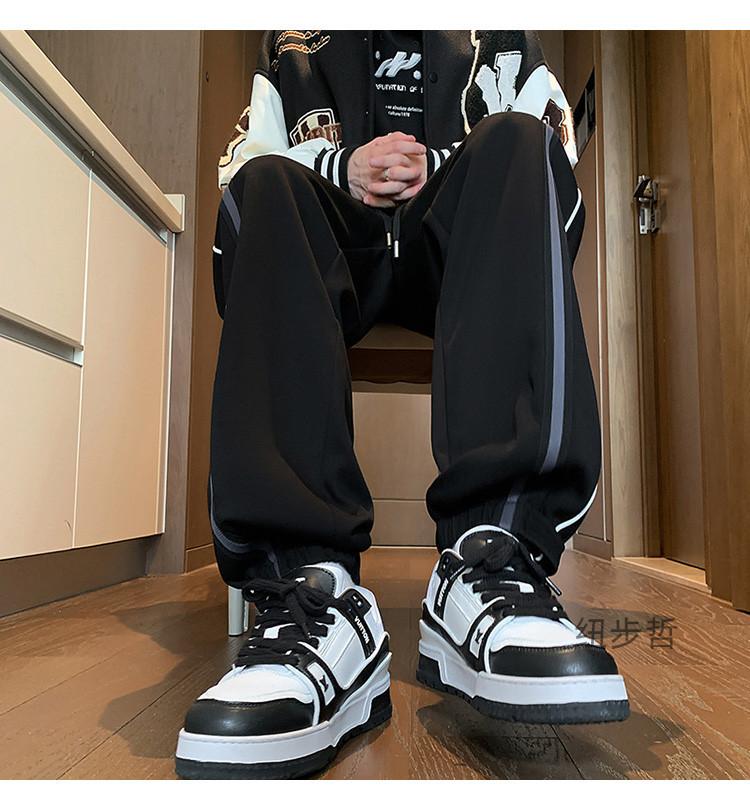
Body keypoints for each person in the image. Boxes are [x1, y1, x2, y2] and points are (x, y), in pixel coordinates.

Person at [175, 30, 629, 780]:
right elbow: (243, 160)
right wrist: (343, 168)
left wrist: (439, 166)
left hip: (451, 237)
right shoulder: (292, 40)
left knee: (516, 142)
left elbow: (555, 146)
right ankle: (308, 591)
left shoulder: (499, 31)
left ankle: (495, 555)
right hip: (339, 234)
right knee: (267, 185)